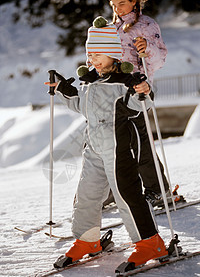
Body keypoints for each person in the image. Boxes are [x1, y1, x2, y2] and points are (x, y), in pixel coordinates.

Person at [45, 17, 169, 273]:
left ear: (113, 54)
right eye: (90, 53)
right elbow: (83, 106)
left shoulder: (125, 81)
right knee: (87, 195)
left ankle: (150, 242)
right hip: (94, 149)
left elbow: (141, 105)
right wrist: (62, 89)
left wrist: (142, 90)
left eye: (99, 53)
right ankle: (87, 240)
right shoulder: (90, 81)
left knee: (127, 194)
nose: (93, 58)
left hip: (119, 148)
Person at [105, 0, 171, 207]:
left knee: (140, 142)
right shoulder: (110, 28)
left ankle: (158, 189)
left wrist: (147, 48)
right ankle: (114, 189)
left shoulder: (146, 25)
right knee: (111, 142)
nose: (118, 9)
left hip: (138, 88)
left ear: (134, 1)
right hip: (114, 90)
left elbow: (159, 59)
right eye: (114, 5)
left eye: (122, 3)